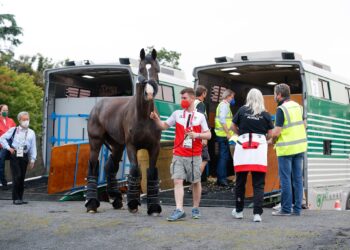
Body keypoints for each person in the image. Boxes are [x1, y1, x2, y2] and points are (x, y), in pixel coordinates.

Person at [150, 87, 211, 221]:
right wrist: (155, 119)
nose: (182, 101)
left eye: (184, 98)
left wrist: (197, 135)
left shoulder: (200, 117)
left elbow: (209, 135)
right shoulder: (177, 114)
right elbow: (163, 126)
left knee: (195, 182)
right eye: (181, 98)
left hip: (194, 155)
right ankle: (179, 209)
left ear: (192, 99)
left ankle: (195, 207)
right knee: (177, 180)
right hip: (178, 153)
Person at [230, 88, 273, 222]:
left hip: (242, 147)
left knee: (240, 181)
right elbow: (270, 134)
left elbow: (232, 127)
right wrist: (263, 138)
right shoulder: (265, 114)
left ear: (248, 97)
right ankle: (257, 214)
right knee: (258, 183)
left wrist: (241, 132)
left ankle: (239, 211)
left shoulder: (242, 110)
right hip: (258, 149)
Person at [271, 83, 307, 216]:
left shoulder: (281, 109)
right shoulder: (299, 107)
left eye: (275, 94)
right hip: (299, 147)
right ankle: (297, 209)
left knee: (285, 179)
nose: (274, 96)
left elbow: (277, 131)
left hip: (286, 149)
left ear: (279, 95)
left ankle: (286, 209)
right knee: (298, 179)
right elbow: (304, 125)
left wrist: (270, 139)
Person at [0, 111, 37, 205]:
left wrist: (32, 159)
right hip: (15, 154)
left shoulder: (31, 133)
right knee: (17, 176)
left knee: (22, 177)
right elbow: (2, 138)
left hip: (24, 155)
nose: (26, 121)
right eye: (24, 119)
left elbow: (33, 147)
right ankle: (15, 198)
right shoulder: (14, 130)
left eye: (27, 119)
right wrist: (8, 148)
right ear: (19, 120)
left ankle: (20, 197)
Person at [187, 85, 210, 195]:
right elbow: (201, 120)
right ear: (203, 93)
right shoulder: (201, 104)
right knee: (204, 159)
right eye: (206, 93)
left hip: (190, 135)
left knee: (196, 160)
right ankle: (193, 185)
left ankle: (192, 185)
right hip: (199, 136)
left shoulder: (192, 103)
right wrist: (204, 137)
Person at [214, 89, 235, 186]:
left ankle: (221, 178)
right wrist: (227, 133)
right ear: (228, 96)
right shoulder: (225, 105)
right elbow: (222, 119)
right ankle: (222, 179)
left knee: (223, 156)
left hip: (221, 134)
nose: (232, 99)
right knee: (224, 157)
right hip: (223, 135)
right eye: (232, 97)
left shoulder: (222, 105)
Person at [0, 104, 17, 190]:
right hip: (1, 145)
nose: (5, 112)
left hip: (11, 144)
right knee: (1, 163)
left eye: (6, 110)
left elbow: (16, 133)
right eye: (3, 110)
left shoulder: (11, 121)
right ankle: (4, 183)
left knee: (18, 160)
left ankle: (17, 182)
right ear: (0, 111)